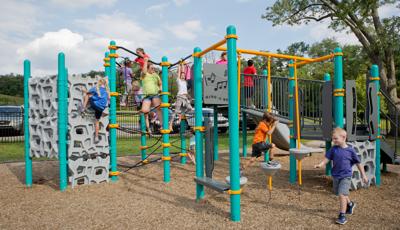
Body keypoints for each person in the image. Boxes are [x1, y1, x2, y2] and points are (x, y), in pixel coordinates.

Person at [314, 127, 368, 225]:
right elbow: (327, 159)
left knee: (342, 195)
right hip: (336, 176)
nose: (333, 140)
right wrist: (320, 164)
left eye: (335, 139)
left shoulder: (350, 151)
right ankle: (350, 204)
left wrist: (363, 175)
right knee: (339, 193)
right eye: (333, 138)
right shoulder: (333, 149)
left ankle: (342, 215)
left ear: (343, 138)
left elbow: (358, 163)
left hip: (346, 176)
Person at [80, 77, 110, 143]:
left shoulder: (96, 88)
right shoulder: (107, 90)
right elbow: (108, 100)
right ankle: (96, 137)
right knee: (97, 121)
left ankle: (83, 108)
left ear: (99, 82)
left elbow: (87, 92)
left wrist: (83, 89)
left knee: (87, 95)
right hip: (102, 108)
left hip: (95, 105)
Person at [141, 57, 163, 134]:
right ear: (147, 69)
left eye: (154, 68)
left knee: (159, 108)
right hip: (147, 96)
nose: (153, 69)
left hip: (155, 94)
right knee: (145, 111)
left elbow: (160, 83)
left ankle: (161, 125)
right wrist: (145, 61)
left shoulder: (156, 75)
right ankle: (148, 128)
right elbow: (143, 71)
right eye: (152, 68)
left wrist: (160, 89)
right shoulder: (144, 74)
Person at [169, 62, 193, 131]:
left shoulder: (185, 82)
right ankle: (170, 124)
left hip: (185, 98)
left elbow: (185, 91)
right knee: (176, 111)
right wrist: (180, 65)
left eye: (183, 75)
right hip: (180, 97)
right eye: (181, 75)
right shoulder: (178, 80)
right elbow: (179, 72)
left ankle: (180, 116)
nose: (183, 75)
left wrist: (189, 97)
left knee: (190, 108)